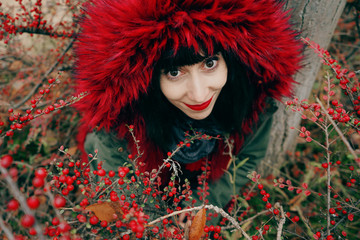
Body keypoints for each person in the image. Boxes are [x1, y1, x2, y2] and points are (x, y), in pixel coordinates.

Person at [74, 0, 302, 213]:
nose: (199, 93)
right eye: (174, 72)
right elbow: (117, 177)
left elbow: (249, 158)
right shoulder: (124, 117)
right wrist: (155, 222)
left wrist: (203, 206)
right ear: (149, 77)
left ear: (230, 60)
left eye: (210, 64)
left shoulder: (251, 101)